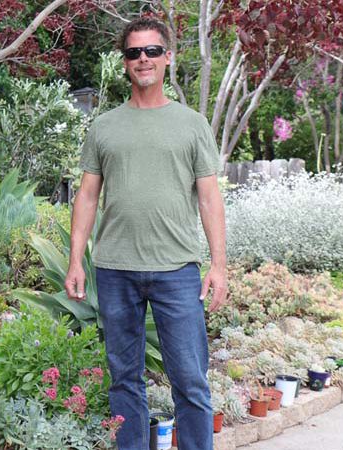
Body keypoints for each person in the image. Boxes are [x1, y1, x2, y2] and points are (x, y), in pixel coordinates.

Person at [65, 17, 229, 450]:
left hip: (177, 270)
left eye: (152, 51)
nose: (143, 60)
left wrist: (218, 266)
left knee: (191, 381)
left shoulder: (191, 124)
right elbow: (86, 196)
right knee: (124, 380)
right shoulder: (104, 127)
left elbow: (210, 198)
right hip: (115, 269)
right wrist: (75, 260)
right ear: (125, 63)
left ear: (167, 58)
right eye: (134, 53)